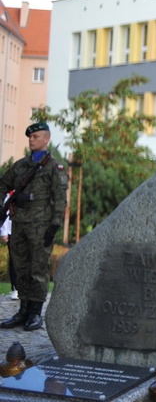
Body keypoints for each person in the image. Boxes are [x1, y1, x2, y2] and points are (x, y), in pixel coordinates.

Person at [0, 122, 68, 332]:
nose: (32, 140)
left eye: (36, 136)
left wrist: (54, 226)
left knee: (38, 269)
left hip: (41, 225)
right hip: (19, 224)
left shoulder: (53, 167)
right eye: (30, 137)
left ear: (46, 139)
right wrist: (7, 201)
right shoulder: (20, 166)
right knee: (21, 268)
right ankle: (23, 310)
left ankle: (35, 313)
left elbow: (59, 199)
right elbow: (3, 185)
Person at [1, 214, 16, 300]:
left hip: (32, 230)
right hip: (13, 230)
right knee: (14, 259)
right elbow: (7, 209)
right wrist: (4, 231)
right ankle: (15, 288)